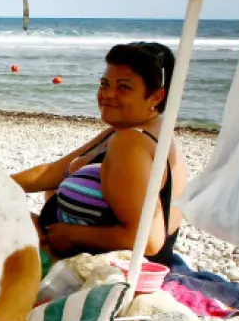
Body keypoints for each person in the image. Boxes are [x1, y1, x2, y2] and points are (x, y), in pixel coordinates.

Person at [11, 42, 188, 268]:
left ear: (156, 96)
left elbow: (149, 241)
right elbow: (52, 172)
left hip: (97, 271)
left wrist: (74, 234)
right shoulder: (137, 131)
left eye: (124, 87)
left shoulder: (132, 142)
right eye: (105, 83)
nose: (108, 94)